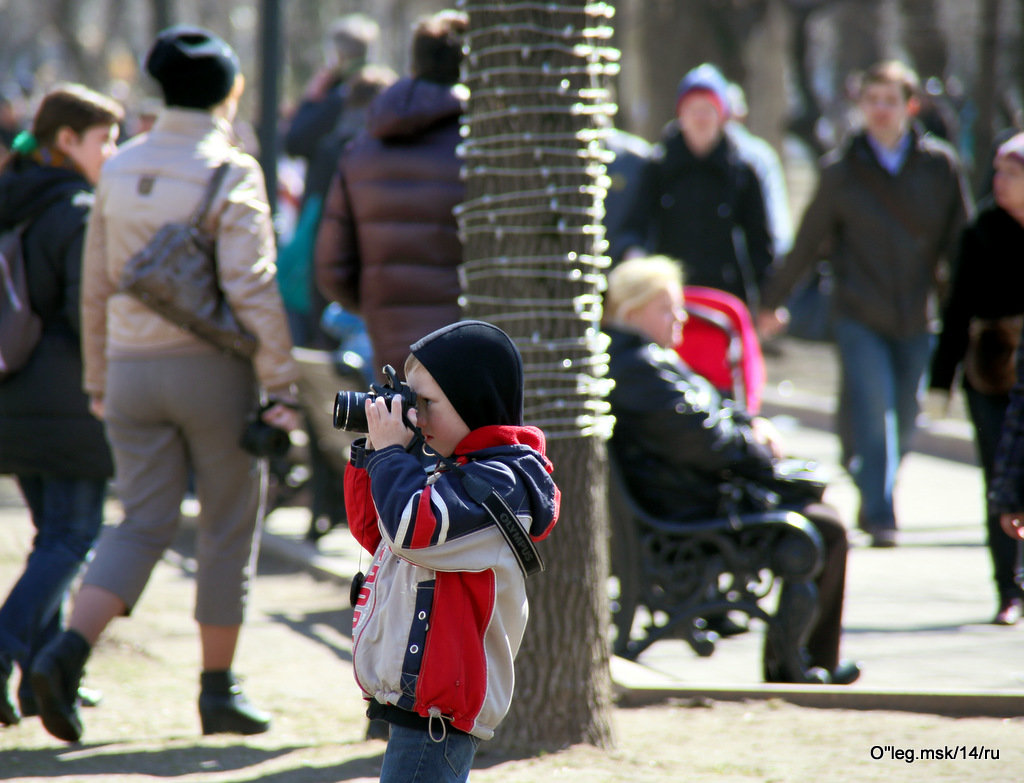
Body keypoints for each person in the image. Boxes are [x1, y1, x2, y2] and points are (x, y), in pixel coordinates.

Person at [29, 26, 301, 744]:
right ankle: (218, 691)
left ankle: (63, 655)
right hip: (212, 370)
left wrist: (98, 375)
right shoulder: (230, 169)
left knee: (141, 519)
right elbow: (252, 287)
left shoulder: (118, 168)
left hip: (127, 368)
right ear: (229, 90)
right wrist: (281, 384)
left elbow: (95, 283)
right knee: (226, 523)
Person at [604, 256, 859, 686]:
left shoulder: (643, 360)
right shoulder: (639, 369)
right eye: (668, 308)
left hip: (693, 500)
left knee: (821, 517)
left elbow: (716, 411)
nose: (681, 318)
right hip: (688, 515)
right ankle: (796, 668)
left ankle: (799, 662)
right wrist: (761, 450)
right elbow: (707, 442)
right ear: (632, 313)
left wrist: (752, 427)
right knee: (823, 529)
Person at [758, 60, 972, 548]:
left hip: (918, 316)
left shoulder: (939, 166)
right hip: (858, 313)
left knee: (906, 412)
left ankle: (865, 468)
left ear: (910, 106)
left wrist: (968, 307)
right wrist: (771, 303)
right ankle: (880, 512)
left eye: (890, 101)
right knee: (876, 410)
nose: (880, 110)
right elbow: (809, 240)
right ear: (860, 106)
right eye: (872, 100)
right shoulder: (842, 171)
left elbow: (959, 244)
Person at [344, 320, 560, 782]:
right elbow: (375, 532)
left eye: (426, 404)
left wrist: (389, 457)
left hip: (441, 712)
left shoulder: (505, 482)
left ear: (472, 400)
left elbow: (413, 533)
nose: (415, 418)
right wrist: (372, 454)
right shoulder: (449, 466)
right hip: (418, 702)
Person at [0, 84, 123, 727]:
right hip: (69, 397)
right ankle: (5, 649)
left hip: (13, 393)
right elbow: (88, 315)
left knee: (54, 538)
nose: (114, 152)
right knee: (74, 536)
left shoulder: (13, 195)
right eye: (106, 139)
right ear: (66, 140)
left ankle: (42, 682)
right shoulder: (75, 208)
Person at [315, 9, 467, 378]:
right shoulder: (483, 147)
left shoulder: (362, 150)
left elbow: (332, 267)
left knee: (404, 431)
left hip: (390, 345)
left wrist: (378, 307)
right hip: (471, 344)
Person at [929, 132, 1024, 625]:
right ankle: (1008, 589)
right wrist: (939, 383)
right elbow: (956, 310)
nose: (999, 181)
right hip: (992, 378)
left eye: (1012, 172)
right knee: (1002, 482)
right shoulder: (981, 232)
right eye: (998, 171)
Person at [617, 63, 773, 311]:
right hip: (670, 300)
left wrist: (769, 302)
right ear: (680, 114)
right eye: (693, 109)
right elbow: (635, 224)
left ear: (722, 116)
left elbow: (759, 244)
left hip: (725, 299)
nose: (700, 119)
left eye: (708, 109)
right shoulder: (658, 168)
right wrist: (633, 257)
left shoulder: (742, 172)